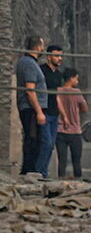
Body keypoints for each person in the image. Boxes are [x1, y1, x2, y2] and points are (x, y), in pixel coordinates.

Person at [16, 36, 47, 176]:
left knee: (35, 140)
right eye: (42, 45)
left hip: (32, 108)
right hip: (31, 109)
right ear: (37, 46)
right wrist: (39, 111)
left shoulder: (30, 63)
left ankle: (30, 170)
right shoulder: (28, 63)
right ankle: (29, 171)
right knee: (33, 140)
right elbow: (30, 90)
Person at [55, 68, 88, 179]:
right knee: (76, 160)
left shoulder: (57, 91)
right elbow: (84, 108)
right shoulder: (76, 92)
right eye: (76, 79)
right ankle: (78, 181)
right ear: (71, 78)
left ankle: (60, 180)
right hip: (75, 131)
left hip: (60, 130)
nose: (77, 81)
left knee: (62, 161)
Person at [36, 44, 64, 178]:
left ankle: (44, 173)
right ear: (48, 57)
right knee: (45, 143)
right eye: (56, 55)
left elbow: (58, 95)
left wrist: (62, 115)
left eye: (60, 56)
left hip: (54, 114)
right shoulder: (41, 70)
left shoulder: (58, 75)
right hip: (44, 111)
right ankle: (39, 172)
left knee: (51, 145)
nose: (59, 59)